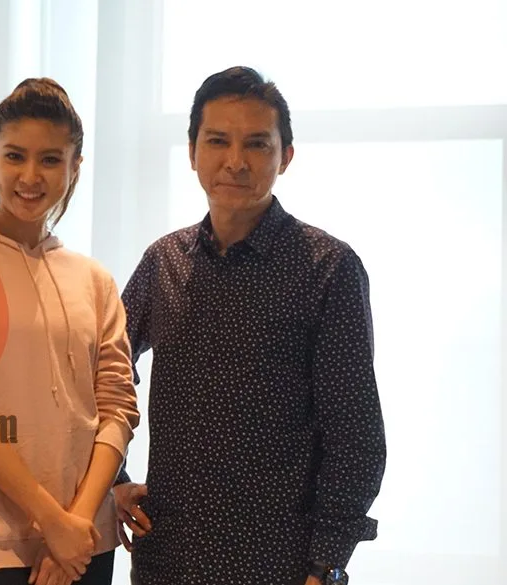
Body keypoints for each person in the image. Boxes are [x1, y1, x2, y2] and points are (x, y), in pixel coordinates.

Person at [113, 66, 387, 585]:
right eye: (218, 140)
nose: (235, 161)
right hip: (168, 555)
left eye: (257, 144)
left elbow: (355, 432)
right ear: (192, 150)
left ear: (286, 156)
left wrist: (327, 564)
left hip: (280, 562)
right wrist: (114, 478)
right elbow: (101, 375)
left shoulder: (327, 268)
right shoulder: (164, 262)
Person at [0, 78, 140, 585]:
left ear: (75, 166)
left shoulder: (94, 280)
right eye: (15, 156)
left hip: (87, 540)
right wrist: (49, 520)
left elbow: (118, 408)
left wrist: (76, 523)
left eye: (51, 160)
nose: (30, 176)